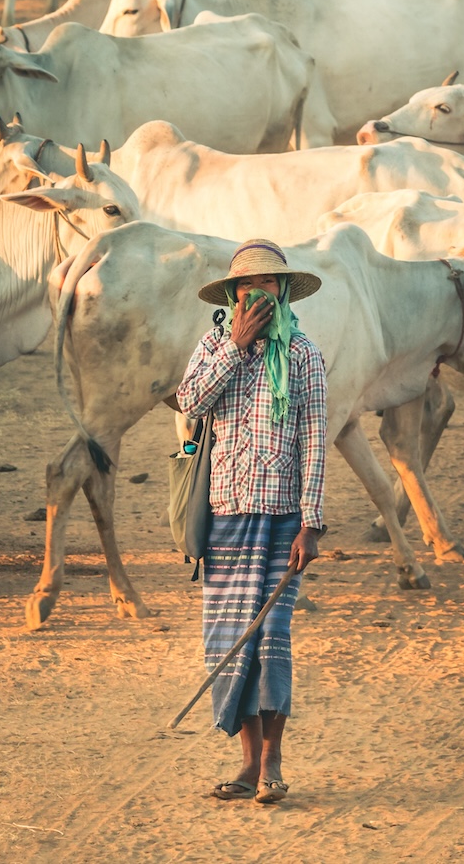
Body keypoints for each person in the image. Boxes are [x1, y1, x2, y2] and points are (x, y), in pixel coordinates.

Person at [177, 239, 329, 805]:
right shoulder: (215, 344)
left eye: (268, 284)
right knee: (229, 644)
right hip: (225, 517)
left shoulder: (305, 355)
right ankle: (245, 763)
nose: (258, 294)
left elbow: (314, 440)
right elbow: (189, 400)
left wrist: (311, 524)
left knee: (270, 639)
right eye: (248, 286)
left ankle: (273, 759)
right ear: (234, 296)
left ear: (283, 291)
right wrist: (236, 348)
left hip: (285, 520)